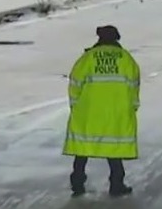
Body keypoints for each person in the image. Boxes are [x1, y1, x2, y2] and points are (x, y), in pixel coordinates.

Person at [64, 25, 140, 197]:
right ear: (116, 39)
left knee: (83, 150)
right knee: (114, 151)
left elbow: (75, 83)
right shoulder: (126, 59)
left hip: (88, 113)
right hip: (116, 114)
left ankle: (77, 183)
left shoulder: (88, 58)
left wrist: (75, 106)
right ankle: (116, 184)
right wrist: (132, 107)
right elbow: (134, 85)